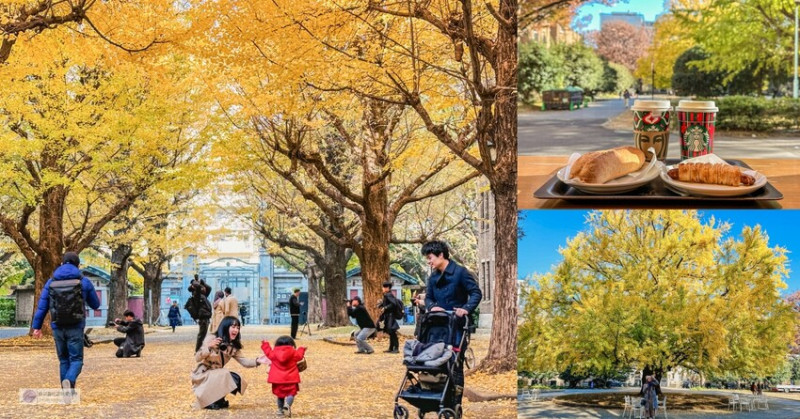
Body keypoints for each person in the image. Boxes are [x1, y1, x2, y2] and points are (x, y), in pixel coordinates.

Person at [31, 252, 101, 398]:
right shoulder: (84, 281)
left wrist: (36, 327)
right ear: (78, 265)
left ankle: (67, 394)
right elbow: (95, 304)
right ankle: (69, 380)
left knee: (63, 360)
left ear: (62, 264)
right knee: (76, 360)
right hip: (76, 326)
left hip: (57, 326)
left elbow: (42, 307)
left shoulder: (51, 282)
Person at [422, 240, 482, 406]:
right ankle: (439, 401)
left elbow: (476, 293)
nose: (429, 261)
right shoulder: (433, 277)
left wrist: (466, 309)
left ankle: (455, 404)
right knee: (436, 363)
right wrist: (432, 307)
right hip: (437, 327)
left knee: (455, 365)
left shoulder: (460, 273)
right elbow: (428, 297)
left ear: (441, 255)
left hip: (456, 326)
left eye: (430, 257)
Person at [191, 316, 269, 409]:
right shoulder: (211, 338)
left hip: (217, 374)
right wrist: (209, 346)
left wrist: (257, 361)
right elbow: (197, 357)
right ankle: (211, 400)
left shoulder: (233, 346)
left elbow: (244, 361)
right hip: (204, 374)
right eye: (233, 327)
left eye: (238, 328)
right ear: (225, 327)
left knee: (236, 379)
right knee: (225, 373)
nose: (236, 330)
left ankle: (218, 399)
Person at [262, 335, 307, 417]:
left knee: (280, 395)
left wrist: (265, 344)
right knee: (291, 394)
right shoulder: (294, 353)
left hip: (278, 380)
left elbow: (267, 352)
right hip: (291, 379)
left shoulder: (274, 353)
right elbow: (300, 356)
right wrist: (302, 349)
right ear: (292, 345)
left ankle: (280, 410)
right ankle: (287, 405)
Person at [186, 274, 212, 352]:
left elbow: (209, 288)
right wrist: (194, 282)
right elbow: (197, 287)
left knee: (203, 334)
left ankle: (200, 349)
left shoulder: (203, 295)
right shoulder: (196, 295)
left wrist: (202, 283)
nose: (203, 288)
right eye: (202, 287)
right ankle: (198, 350)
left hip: (206, 316)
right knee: (202, 335)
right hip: (203, 317)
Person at [378, 281, 401, 353]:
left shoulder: (388, 295)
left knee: (392, 331)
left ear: (387, 288)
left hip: (390, 316)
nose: (382, 288)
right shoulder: (388, 295)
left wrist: (385, 308)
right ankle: (391, 347)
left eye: (384, 287)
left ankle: (396, 348)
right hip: (388, 315)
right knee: (390, 332)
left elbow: (393, 304)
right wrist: (381, 305)